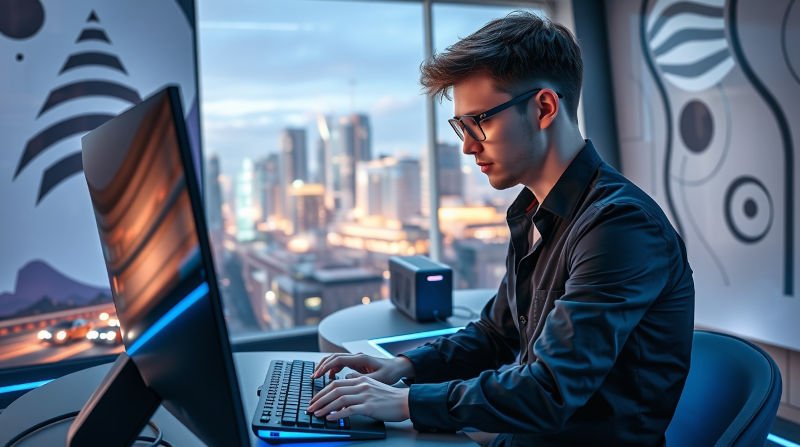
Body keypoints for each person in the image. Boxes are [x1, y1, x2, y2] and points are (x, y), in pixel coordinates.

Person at [307, 11, 694, 446]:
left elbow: (549, 390)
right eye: (461, 126)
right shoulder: (533, 211)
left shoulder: (620, 226)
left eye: (480, 121)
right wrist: (404, 367)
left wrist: (405, 402)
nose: (468, 145)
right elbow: (495, 334)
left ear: (544, 108)